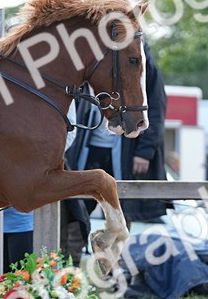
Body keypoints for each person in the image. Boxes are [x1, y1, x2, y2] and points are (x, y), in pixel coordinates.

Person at [65, 40, 169, 223]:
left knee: (120, 217)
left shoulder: (142, 58)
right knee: (75, 215)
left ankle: (115, 252)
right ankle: (71, 250)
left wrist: (144, 152)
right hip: (87, 151)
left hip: (125, 154)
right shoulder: (92, 50)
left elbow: (156, 107)